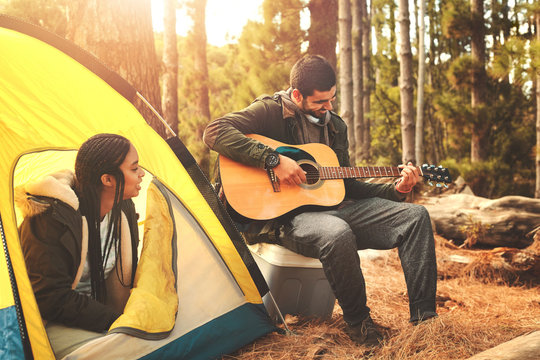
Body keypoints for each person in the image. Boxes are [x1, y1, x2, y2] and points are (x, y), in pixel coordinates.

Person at [203, 55, 437, 346]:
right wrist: (274, 160)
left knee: (415, 217)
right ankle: (360, 326)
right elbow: (214, 132)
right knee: (336, 233)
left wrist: (397, 189)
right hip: (283, 218)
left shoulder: (336, 127)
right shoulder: (270, 111)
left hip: (334, 208)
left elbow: (348, 184)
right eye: (320, 102)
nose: (329, 108)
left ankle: (425, 322)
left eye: (332, 99)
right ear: (297, 94)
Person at [17, 133, 145, 353]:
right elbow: (50, 297)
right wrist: (117, 321)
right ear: (108, 180)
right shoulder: (51, 218)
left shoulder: (123, 210)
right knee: (126, 351)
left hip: (97, 315)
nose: (142, 174)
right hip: (45, 323)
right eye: (134, 169)